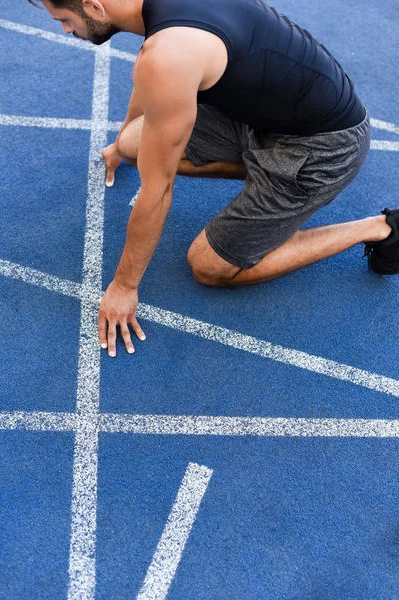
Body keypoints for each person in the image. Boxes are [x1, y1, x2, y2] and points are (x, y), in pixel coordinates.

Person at [31, 0, 398, 357]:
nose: (65, 30)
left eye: (63, 19)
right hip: (270, 118)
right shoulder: (156, 19)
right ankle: (266, 180)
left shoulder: (168, 53)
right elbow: (151, 80)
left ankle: (377, 227)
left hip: (323, 150)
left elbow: (157, 190)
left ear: (94, 6)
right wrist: (122, 142)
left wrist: (124, 286)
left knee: (209, 265)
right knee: (134, 144)